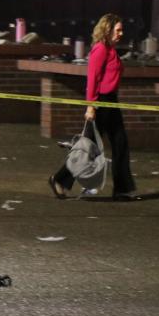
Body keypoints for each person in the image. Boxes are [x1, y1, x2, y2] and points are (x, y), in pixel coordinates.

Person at [49, 14, 139, 201]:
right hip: (101, 103)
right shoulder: (100, 50)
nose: (121, 34)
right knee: (87, 148)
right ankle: (59, 179)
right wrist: (91, 106)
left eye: (122, 30)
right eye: (118, 30)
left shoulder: (111, 51)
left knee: (120, 144)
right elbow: (92, 79)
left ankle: (121, 190)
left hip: (111, 101)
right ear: (107, 29)